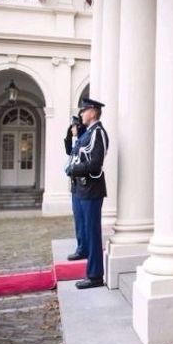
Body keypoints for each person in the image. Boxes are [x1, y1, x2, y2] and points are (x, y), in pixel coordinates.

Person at [65, 97, 109, 289]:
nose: (81, 114)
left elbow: (95, 163)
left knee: (92, 232)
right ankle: (89, 262)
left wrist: (74, 169)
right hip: (82, 187)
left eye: (84, 111)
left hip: (91, 188)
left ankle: (95, 275)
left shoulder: (98, 133)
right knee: (85, 228)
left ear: (92, 112)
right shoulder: (88, 133)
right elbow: (74, 152)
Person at [64, 109, 87, 262]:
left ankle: (83, 248)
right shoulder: (76, 141)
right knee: (78, 219)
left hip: (82, 184)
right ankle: (81, 246)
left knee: (82, 219)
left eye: (74, 126)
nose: (72, 128)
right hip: (75, 184)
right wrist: (70, 136)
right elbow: (69, 151)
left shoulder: (83, 140)